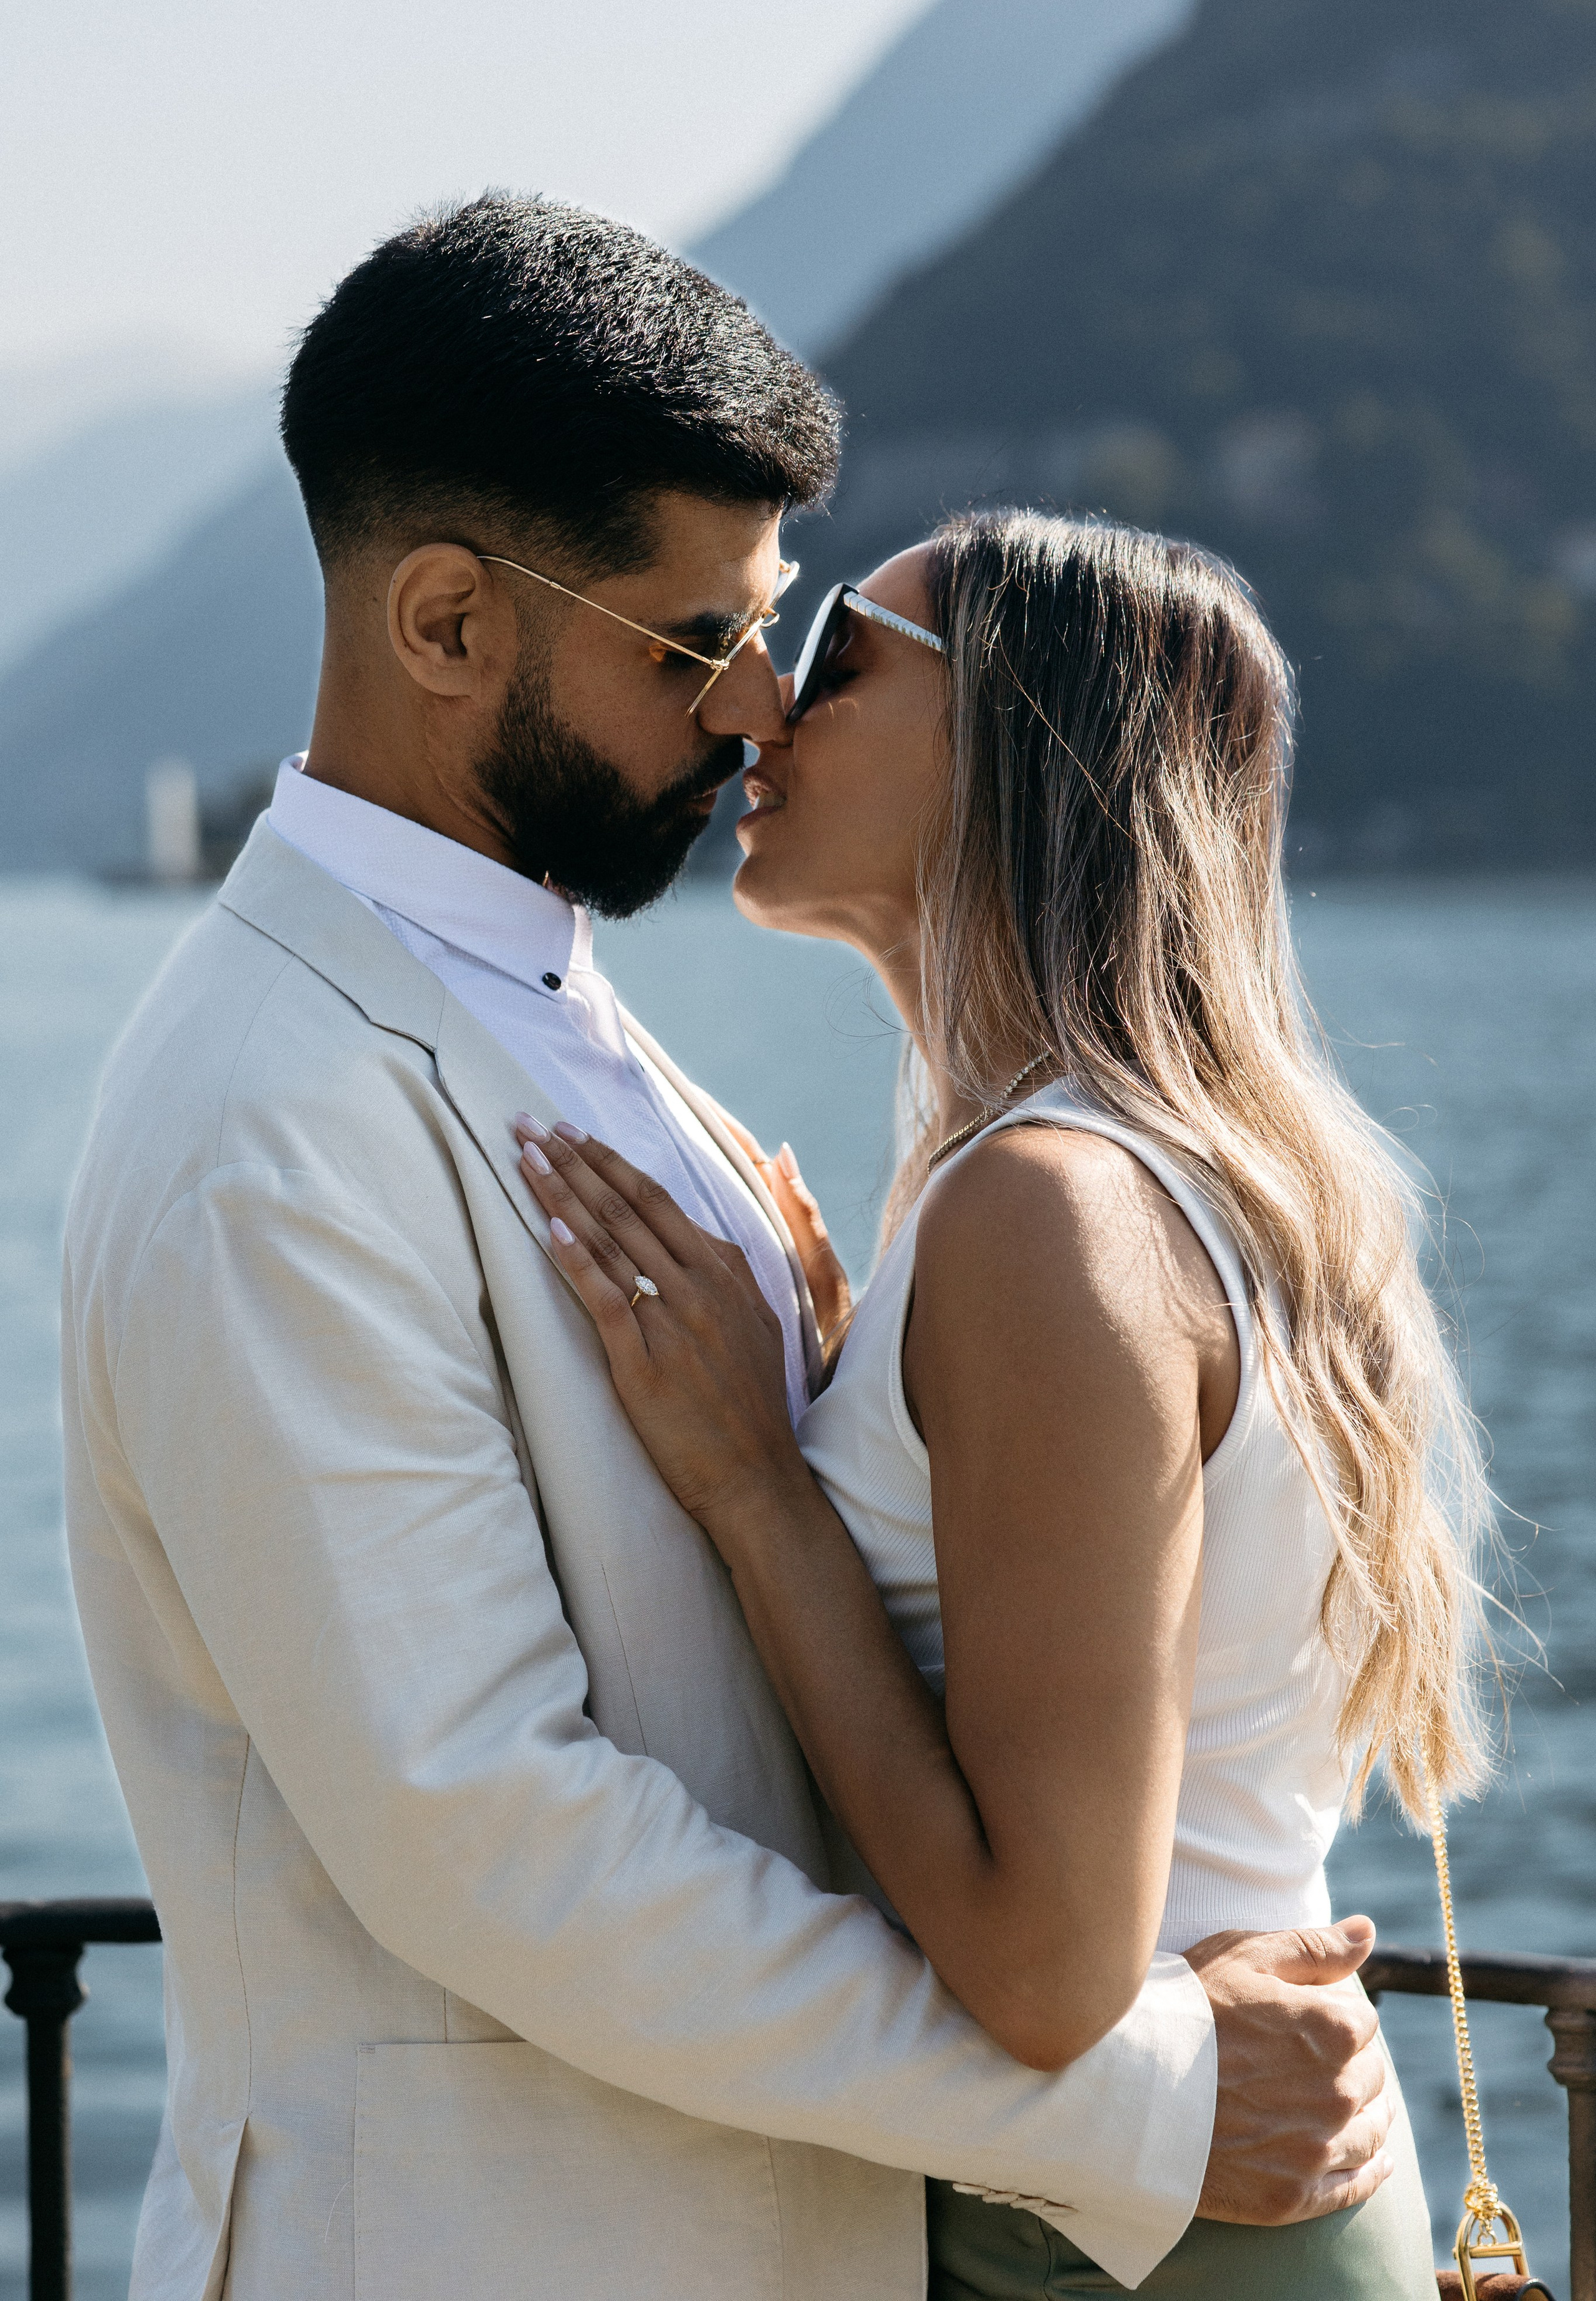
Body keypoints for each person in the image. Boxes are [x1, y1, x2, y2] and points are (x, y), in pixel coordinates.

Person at [64, 200, 1393, 2301]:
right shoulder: (269, 1114)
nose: (758, 705)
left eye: (782, 630)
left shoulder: (561, 1006)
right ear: (442, 628)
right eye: (696, 642)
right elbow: (493, 1833)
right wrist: (1138, 2098)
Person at [514, 511, 1486, 2297]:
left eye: (841, 663)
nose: (759, 716)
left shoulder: (1048, 1210)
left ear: (1026, 738)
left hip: (1140, 2234)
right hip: (1195, 2212)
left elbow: (1050, 1970)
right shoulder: (1131, 1190)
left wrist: (760, 1484)